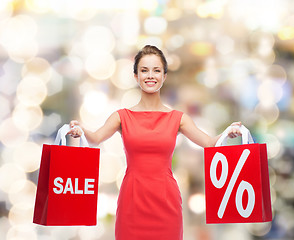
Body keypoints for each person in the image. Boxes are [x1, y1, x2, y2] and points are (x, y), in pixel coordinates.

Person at [68, 45, 242, 240]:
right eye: (144, 70)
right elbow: (96, 138)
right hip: (132, 202)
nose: (150, 75)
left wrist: (228, 132)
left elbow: (208, 143)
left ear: (164, 76)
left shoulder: (178, 118)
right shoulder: (121, 117)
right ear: (136, 76)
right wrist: (82, 130)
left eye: (156, 70)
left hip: (166, 202)